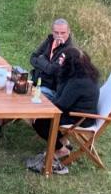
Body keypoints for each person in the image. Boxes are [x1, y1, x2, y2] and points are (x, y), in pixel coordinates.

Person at [28, 47, 101, 175]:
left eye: (62, 59)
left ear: (71, 63)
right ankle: (63, 141)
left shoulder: (78, 82)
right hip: (74, 110)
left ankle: (61, 149)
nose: (60, 61)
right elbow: (60, 96)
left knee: (40, 122)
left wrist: (41, 112)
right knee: (41, 112)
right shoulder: (80, 74)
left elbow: (61, 104)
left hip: (79, 118)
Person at [29, 19, 74, 101]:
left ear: (68, 32)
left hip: (51, 89)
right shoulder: (50, 40)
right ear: (52, 32)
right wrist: (47, 65)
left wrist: (41, 59)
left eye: (63, 33)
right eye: (56, 32)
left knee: (32, 96)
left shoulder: (69, 50)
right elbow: (32, 58)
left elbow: (52, 70)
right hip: (36, 82)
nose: (59, 36)